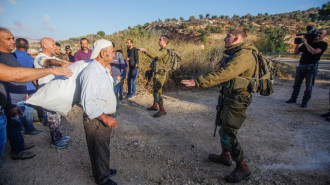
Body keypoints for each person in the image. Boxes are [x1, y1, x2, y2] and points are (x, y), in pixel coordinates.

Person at [181, 28, 257, 183]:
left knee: (229, 132)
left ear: (236, 38)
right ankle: (225, 156)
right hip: (230, 97)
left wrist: (199, 81)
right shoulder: (236, 53)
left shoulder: (244, 55)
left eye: (227, 36)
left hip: (237, 100)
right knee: (223, 127)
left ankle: (242, 167)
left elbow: (226, 73)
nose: (224, 39)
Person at [80, 39, 118, 185]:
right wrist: (104, 117)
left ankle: (104, 170)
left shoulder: (102, 69)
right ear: (103, 53)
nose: (114, 54)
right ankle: (102, 180)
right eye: (112, 51)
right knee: (98, 148)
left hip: (103, 116)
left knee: (102, 147)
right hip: (97, 118)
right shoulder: (91, 72)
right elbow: (88, 101)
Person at [34, 37, 72, 149]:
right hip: (47, 90)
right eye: (53, 44)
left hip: (54, 89)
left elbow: (63, 62)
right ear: (45, 46)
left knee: (57, 115)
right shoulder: (40, 57)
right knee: (52, 117)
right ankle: (55, 141)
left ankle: (59, 136)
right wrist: (60, 63)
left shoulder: (52, 57)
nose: (55, 46)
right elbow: (49, 62)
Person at [286, 29, 328, 108]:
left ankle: (304, 102)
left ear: (324, 36)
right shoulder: (308, 43)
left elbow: (314, 52)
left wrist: (305, 42)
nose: (318, 34)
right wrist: (298, 43)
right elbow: (296, 52)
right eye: (318, 33)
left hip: (311, 67)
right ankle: (293, 98)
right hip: (301, 66)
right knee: (296, 85)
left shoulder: (323, 44)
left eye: (321, 33)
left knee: (308, 86)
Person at [13, 38, 43, 135]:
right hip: (29, 87)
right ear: (28, 46)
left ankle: (19, 128)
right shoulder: (30, 59)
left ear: (15, 46)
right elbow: (34, 75)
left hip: (13, 88)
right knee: (28, 109)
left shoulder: (11, 57)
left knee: (16, 110)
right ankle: (29, 129)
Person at [139, 35, 173, 117]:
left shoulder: (164, 51)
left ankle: (162, 110)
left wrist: (145, 51)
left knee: (158, 92)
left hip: (160, 75)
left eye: (160, 39)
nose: (158, 40)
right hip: (157, 74)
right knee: (155, 90)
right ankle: (155, 105)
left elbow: (154, 55)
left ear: (165, 42)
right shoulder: (162, 51)